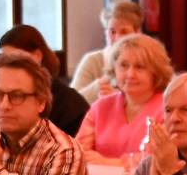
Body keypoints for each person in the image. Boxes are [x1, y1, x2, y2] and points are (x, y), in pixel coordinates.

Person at [74, 32, 173, 163]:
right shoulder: (101, 107)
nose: (130, 74)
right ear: (114, 68)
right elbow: (78, 153)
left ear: (156, 72)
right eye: (124, 65)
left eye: (140, 67)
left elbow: (154, 160)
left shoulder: (169, 109)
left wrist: (109, 163)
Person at [68, 0, 153, 102]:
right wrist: (99, 86)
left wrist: (119, 98)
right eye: (112, 32)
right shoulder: (93, 60)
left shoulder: (151, 59)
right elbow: (71, 102)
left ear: (137, 33)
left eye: (124, 32)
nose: (117, 38)